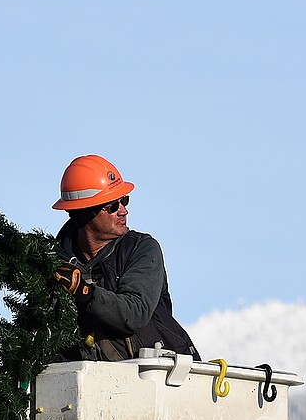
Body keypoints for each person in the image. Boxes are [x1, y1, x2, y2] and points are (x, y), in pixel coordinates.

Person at [51, 154, 200, 362]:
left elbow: (135, 312)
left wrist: (85, 293)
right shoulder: (54, 264)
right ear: (86, 214)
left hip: (157, 380)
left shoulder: (142, 249)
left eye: (124, 200)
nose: (124, 210)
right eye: (113, 206)